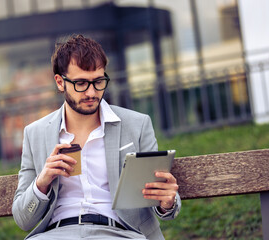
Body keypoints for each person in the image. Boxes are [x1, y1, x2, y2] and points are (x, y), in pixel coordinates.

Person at [12, 34, 181, 240]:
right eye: (81, 83)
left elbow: (163, 198)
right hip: (57, 233)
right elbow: (23, 219)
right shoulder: (35, 134)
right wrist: (42, 182)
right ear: (60, 82)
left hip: (120, 233)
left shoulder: (136, 125)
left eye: (99, 81)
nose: (92, 92)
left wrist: (167, 203)